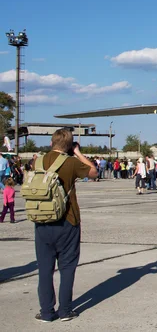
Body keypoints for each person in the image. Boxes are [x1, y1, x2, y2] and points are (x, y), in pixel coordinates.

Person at [34, 129, 97, 322]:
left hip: (42, 220)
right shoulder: (71, 162)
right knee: (67, 267)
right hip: (67, 220)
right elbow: (94, 172)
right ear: (69, 145)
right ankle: (65, 310)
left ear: (52, 142)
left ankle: (46, 312)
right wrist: (77, 153)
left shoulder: (37, 161)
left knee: (44, 268)